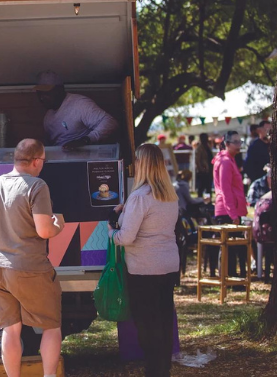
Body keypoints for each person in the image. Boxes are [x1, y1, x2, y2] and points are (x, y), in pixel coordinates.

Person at [0, 139, 65, 377]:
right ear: (36, 161)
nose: (43, 166)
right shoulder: (37, 186)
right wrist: (59, 224)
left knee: (10, 329)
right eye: (43, 161)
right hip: (29, 268)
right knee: (51, 326)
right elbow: (44, 231)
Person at [108, 144, 179, 377]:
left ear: (143, 165)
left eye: (137, 161)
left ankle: (154, 370)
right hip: (168, 265)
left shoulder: (140, 197)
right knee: (163, 318)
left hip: (144, 268)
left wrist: (111, 232)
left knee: (146, 323)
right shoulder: (170, 195)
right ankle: (163, 368)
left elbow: (127, 237)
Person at [35, 70, 118, 149]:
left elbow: (110, 123)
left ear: (59, 90)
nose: (42, 98)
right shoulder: (47, 117)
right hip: (61, 160)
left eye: (47, 93)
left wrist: (86, 140)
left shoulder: (79, 104)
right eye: (39, 93)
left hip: (84, 158)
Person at [213, 130, 248, 281]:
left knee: (235, 247)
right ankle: (230, 279)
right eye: (236, 142)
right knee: (230, 248)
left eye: (240, 142)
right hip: (227, 210)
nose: (239, 145)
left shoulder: (230, 159)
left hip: (232, 208)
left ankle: (233, 278)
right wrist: (233, 214)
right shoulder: (225, 162)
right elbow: (226, 189)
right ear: (226, 144)